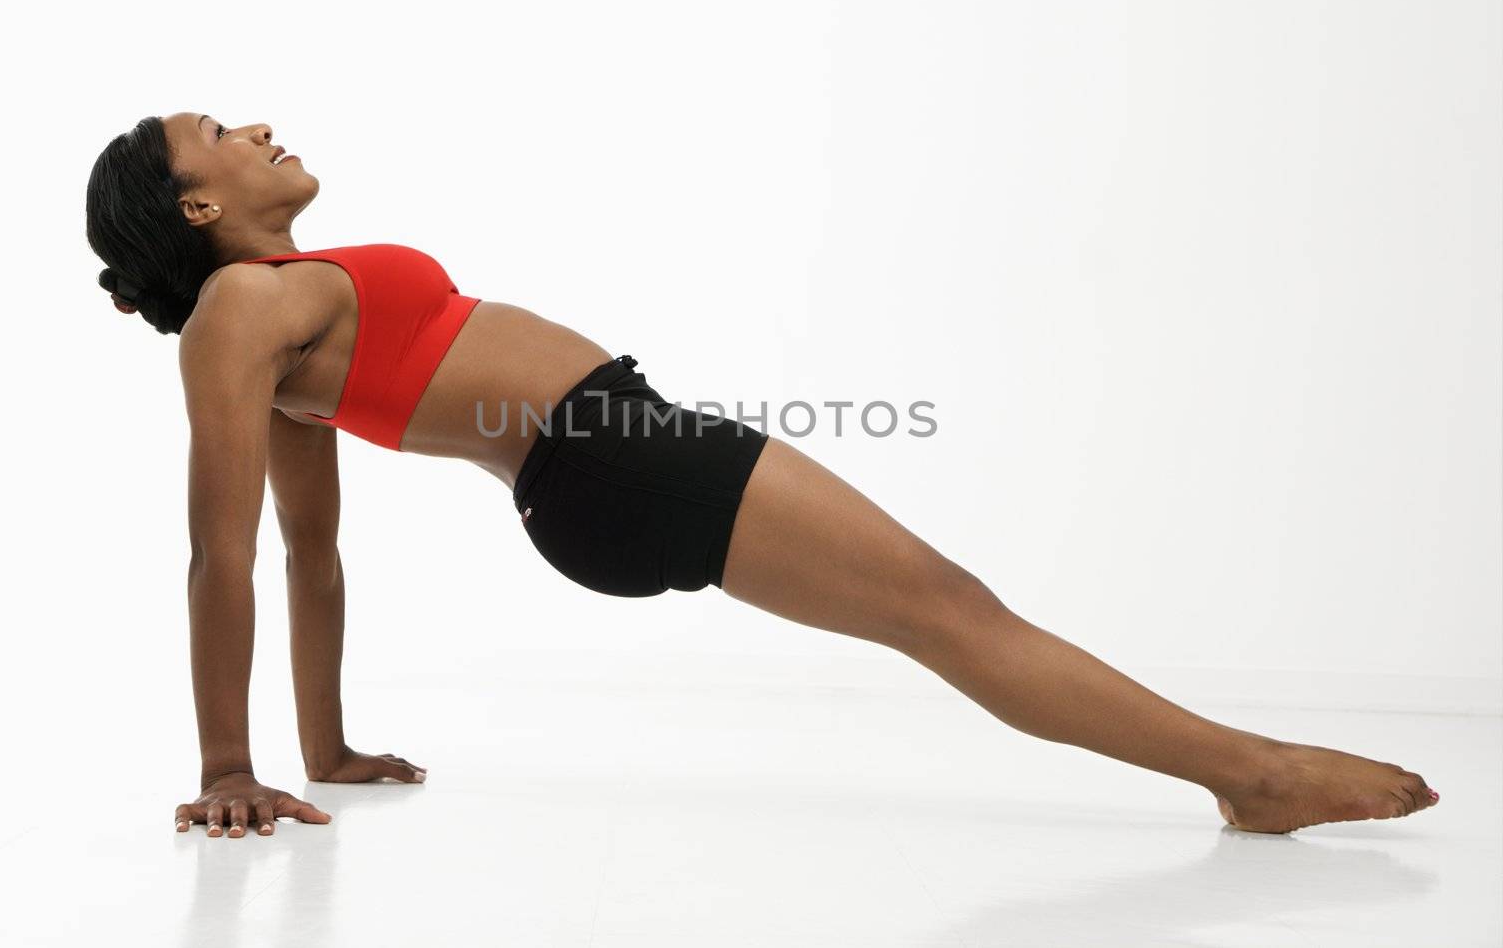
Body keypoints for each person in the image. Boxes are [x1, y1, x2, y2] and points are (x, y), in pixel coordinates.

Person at [86, 113, 1439, 841]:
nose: (258, 124)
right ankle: (1249, 776)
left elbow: (317, 555)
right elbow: (235, 551)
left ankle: (1241, 772)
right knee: (950, 611)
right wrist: (228, 761)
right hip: (610, 458)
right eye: (219, 130)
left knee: (945, 609)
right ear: (194, 205)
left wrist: (322, 747)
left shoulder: (269, 309)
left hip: (614, 454)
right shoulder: (238, 318)